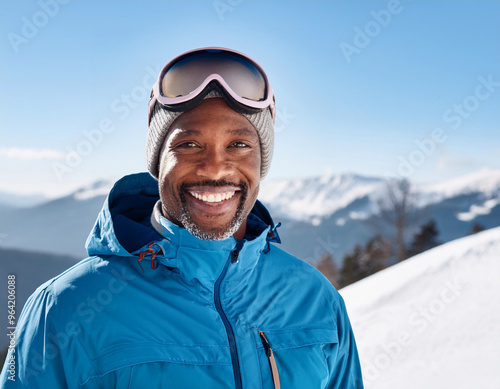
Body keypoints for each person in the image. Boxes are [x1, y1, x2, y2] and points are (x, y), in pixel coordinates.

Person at [0, 47, 363, 388]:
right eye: (189, 144)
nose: (216, 167)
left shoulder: (316, 299)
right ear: (158, 161)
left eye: (239, 144)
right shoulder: (65, 308)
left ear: (261, 161)